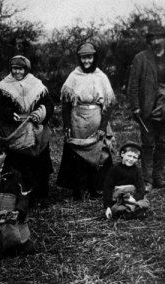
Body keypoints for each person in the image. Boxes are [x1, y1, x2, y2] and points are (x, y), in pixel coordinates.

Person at [127, 23, 165, 190]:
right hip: (147, 108)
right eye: (152, 38)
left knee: (163, 143)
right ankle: (147, 180)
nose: (156, 41)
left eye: (159, 37)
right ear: (149, 41)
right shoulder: (140, 58)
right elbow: (133, 84)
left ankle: (158, 178)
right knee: (148, 144)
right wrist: (135, 106)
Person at [57, 43, 116, 201]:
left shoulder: (101, 76)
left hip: (96, 117)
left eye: (89, 57)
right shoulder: (74, 76)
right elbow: (66, 103)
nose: (86, 61)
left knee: (98, 153)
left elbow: (109, 104)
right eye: (83, 57)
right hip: (78, 119)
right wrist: (67, 125)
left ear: (94, 58)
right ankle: (77, 190)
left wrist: (103, 126)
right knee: (76, 154)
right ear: (79, 58)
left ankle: (94, 187)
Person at [0, 55, 54, 202]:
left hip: (35, 128)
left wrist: (40, 113)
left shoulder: (37, 84)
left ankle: (41, 196)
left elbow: (48, 105)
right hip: (14, 130)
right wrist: (9, 114)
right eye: (14, 68)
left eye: (21, 69)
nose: (17, 72)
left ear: (26, 69)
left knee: (39, 162)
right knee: (18, 164)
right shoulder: (3, 86)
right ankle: (20, 196)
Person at [103, 142, 150, 219]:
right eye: (129, 156)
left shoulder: (137, 170)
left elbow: (141, 188)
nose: (131, 159)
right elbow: (107, 188)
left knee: (145, 203)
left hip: (133, 196)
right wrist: (107, 206)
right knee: (117, 208)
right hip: (120, 198)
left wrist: (134, 198)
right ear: (122, 154)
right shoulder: (114, 169)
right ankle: (127, 213)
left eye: (134, 157)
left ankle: (135, 211)